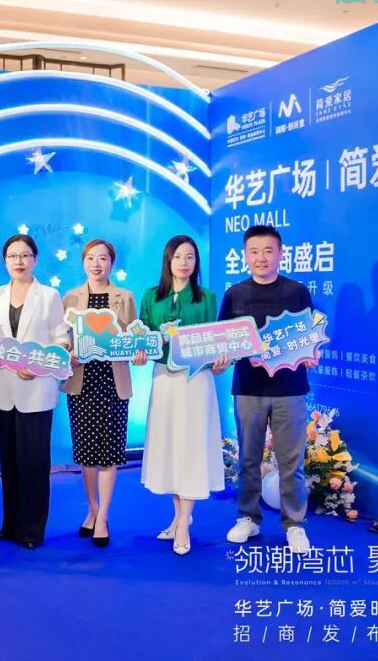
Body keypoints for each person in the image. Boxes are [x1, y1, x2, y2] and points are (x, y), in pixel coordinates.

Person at [215, 225, 318, 554]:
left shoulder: (297, 291)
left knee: (291, 462)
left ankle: (294, 524)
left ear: (281, 253)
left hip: (291, 389)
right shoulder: (235, 294)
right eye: (254, 252)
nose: (261, 258)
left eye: (268, 251)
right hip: (249, 389)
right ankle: (248, 517)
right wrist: (221, 358)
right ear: (245, 256)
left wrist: (312, 353)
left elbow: (310, 335)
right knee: (248, 458)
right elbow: (222, 341)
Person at [0, 234, 69, 549]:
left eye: (25, 255)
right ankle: (10, 524)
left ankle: (32, 529)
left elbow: (61, 339)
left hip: (37, 390)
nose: (19, 261)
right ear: (4, 261)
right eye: (12, 256)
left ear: (35, 259)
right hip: (4, 389)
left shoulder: (49, 296)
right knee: (9, 460)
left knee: (34, 462)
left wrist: (39, 364)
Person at [138, 235, 224, 555]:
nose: (184, 263)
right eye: (178, 257)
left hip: (196, 380)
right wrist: (140, 350)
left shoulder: (207, 297)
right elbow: (143, 337)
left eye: (190, 257)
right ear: (168, 260)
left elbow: (214, 340)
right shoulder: (151, 296)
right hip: (164, 379)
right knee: (171, 446)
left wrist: (219, 360)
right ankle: (177, 517)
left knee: (191, 446)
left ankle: (184, 522)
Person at [62, 238, 145, 547]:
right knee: (86, 455)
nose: (96, 264)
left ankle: (103, 517)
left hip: (112, 382)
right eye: (90, 258)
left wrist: (138, 350)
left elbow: (134, 336)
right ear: (83, 262)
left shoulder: (125, 297)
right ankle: (92, 509)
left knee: (109, 454)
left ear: (112, 263)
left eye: (103, 258)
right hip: (82, 382)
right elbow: (62, 338)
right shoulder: (70, 297)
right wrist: (66, 352)